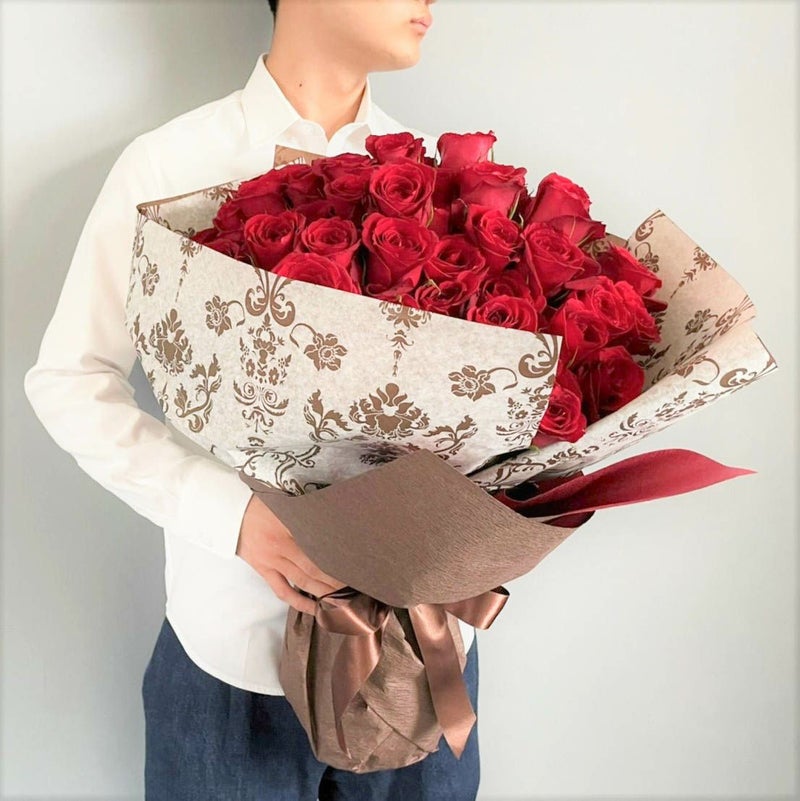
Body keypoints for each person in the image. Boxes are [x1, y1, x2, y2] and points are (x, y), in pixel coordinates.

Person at [23, 0, 481, 798]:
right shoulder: (170, 166)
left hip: (424, 659)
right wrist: (232, 517)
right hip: (233, 667)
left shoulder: (449, 185)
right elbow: (70, 379)